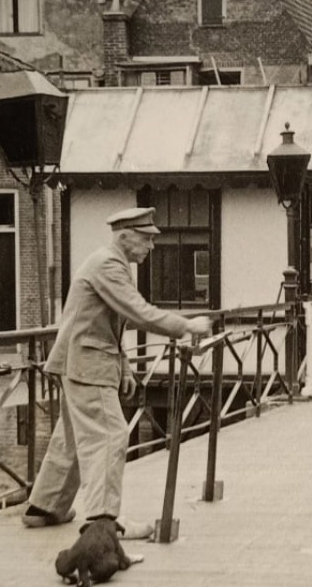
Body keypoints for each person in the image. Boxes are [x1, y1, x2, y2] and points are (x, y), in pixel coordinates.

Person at [23, 206, 213, 531]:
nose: (152, 246)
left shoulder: (111, 262)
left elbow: (107, 321)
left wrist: (123, 364)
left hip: (85, 359)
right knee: (110, 435)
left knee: (72, 438)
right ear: (126, 237)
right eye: (147, 239)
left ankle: (44, 508)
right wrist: (187, 325)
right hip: (88, 364)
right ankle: (103, 522)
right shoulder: (109, 265)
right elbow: (139, 312)